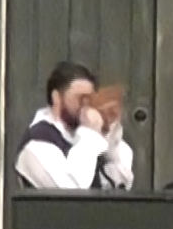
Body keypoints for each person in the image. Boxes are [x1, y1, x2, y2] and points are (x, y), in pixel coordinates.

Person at [14, 61, 133, 190]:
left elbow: (119, 183)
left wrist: (110, 137)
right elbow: (70, 190)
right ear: (56, 98)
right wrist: (91, 134)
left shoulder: (89, 140)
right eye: (80, 98)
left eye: (90, 99)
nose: (86, 106)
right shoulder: (37, 142)